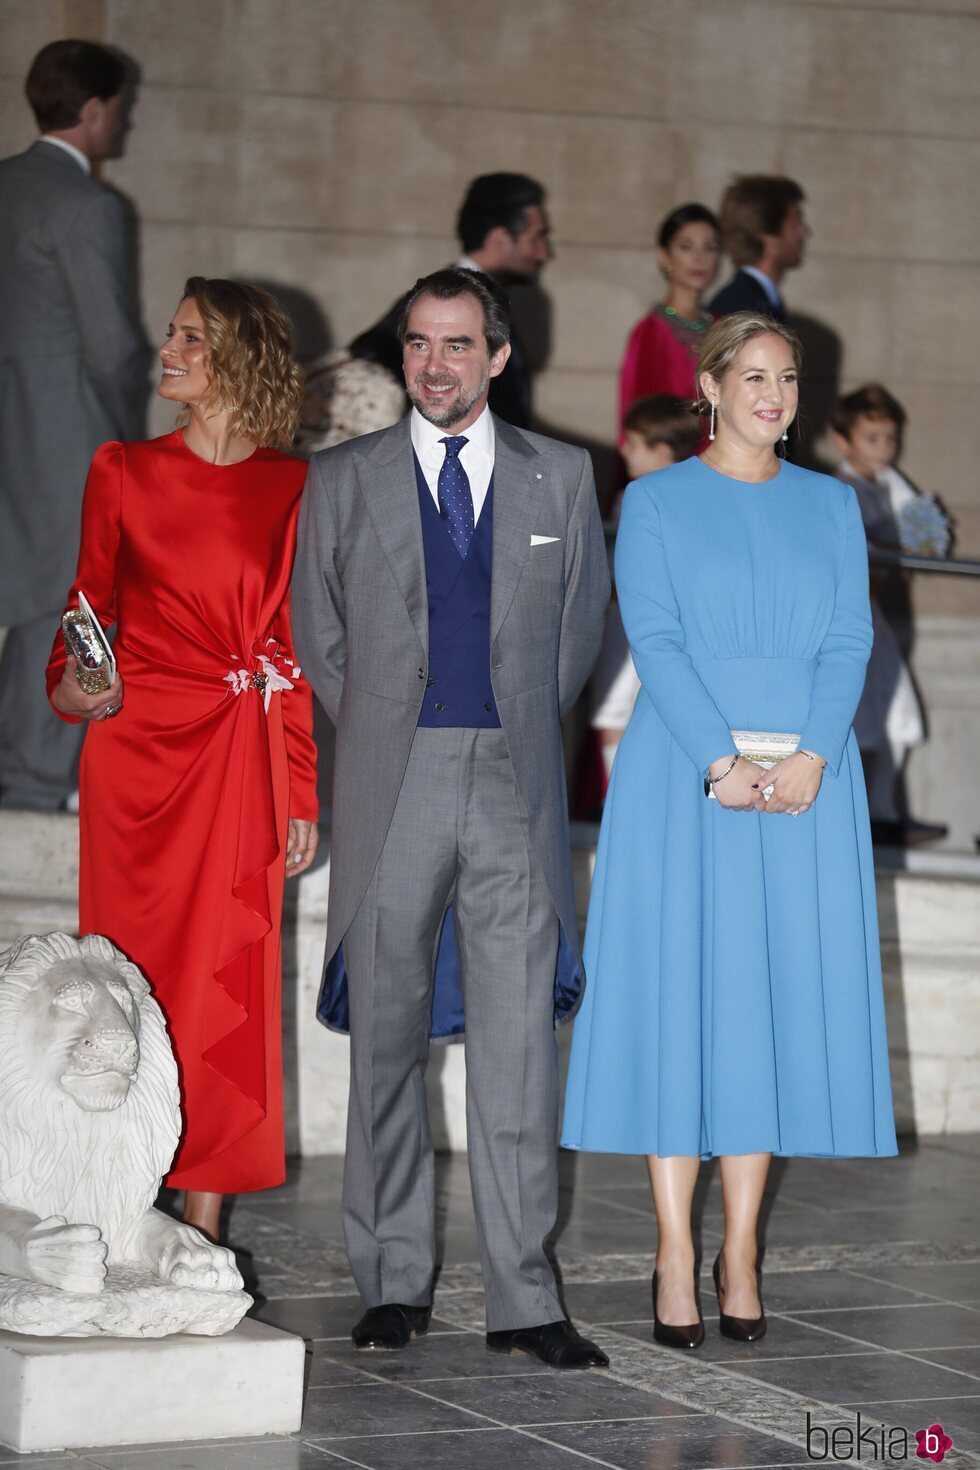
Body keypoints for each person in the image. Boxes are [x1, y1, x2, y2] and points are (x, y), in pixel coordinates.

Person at [292, 267, 610, 1368]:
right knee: (384, 1042)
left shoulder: (562, 476)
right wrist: (387, 727)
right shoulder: (340, 479)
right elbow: (316, 635)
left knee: (517, 1051)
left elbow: (578, 638)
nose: (435, 365)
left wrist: (515, 725)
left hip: (514, 786)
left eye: (457, 345)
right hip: (396, 778)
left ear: (497, 357)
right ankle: (390, 1282)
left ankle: (525, 1299)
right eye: (419, 345)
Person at [562, 312, 896, 1352]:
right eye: (750, 375)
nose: (772, 393)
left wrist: (809, 757)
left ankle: (738, 1248)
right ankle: (672, 1246)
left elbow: (849, 636)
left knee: (766, 1007)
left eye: (786, 377)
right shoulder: (654, 500)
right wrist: (719, 762)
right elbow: (653, 637)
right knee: (682, 1004)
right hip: (683, 782)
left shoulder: (831, 505)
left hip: (804, 783)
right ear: (706, 387)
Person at [46, 278, 319, 1243]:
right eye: (171, 334)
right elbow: (85, 615)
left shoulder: (293, 486)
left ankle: (203, 1226)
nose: (169, 350)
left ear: (236, 358)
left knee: (225, 982)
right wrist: (80, 684)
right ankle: (118, 1197)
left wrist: (301, 787)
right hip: (132, 758)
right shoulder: (121, 467)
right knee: (125, 981)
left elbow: (290, 651)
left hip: (239, 760)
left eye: (190, 338)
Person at [0, 39, 149, 811]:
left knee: (29, 602)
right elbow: (115, 345)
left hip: (12, 432)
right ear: (93, 110)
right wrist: (130, 444)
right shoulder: (88, 206)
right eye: (118, 109)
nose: (120, 125)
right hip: (68, 440)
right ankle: (32, 784)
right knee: (72, 608)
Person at [832, 383, 949, 845]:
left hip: (873, 616)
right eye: (872, 438)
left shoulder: (890, 485)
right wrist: (891, 551)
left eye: (890, 438)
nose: (884, 448)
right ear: (844, 441)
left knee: (899, 713)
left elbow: (925, 539)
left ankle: (881, 813)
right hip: (846, 619)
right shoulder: (840, 488)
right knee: (860, 715)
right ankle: (857, 815)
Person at [348, 173, 552, 428]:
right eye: (536, 238)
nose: (545, 253)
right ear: (500, 239)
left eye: (455, 347)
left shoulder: (493, 303)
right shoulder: (430, 306)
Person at [592, 396, 702, 787]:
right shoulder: (644, 496)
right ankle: (621, 798)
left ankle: (631, 800)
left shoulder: (662, 495)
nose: (624, 450)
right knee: (616, 710)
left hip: (648, 624)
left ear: (660, 450)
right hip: (636, 622)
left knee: (625, 710)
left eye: (633, 442)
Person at [618, 204, 720, 436]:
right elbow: (640, 422)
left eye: (710, 247)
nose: (699, 257)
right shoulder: (651, 332)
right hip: (676, 464)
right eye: (686, 247)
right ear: (665, 255)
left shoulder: (723, 326)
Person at [708, 176, 808, 323]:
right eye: (796, 222)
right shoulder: (740, 307)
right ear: (770, 236)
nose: (804, 232)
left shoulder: (756, 300)